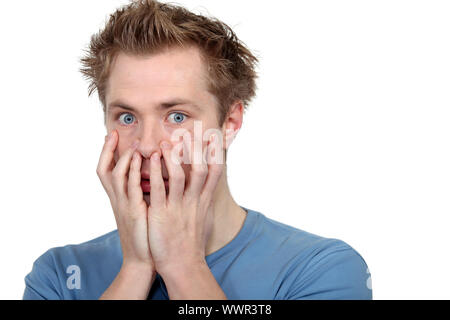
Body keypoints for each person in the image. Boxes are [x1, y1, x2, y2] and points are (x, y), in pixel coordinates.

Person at [22, 0, 372, 300]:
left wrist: (183, 267)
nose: (145, 146)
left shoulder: (320, 268)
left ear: (229, 123)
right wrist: (136, 268)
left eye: (177, 116)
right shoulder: (58, 275)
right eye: (126, 117)